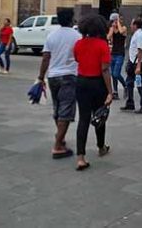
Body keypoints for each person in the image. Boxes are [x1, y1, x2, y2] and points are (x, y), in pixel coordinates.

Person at [37, 9, 81, 159]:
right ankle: (57, 146)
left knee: (57, 108)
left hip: (53, 76)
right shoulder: (77, 36)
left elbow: (45, 58)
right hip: (69, 76)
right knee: (66, 111)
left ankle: (60, 138)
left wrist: (41, 77)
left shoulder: (52, 35)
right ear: (71, 20)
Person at [73, 14, 113, 171]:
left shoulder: (78, 44)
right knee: (99, 116)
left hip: (81, 82)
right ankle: (101, 146)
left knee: (83, 119)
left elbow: (77, 59)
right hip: (98, 84)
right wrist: (110, 91)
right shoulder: (102, 45)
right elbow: (105, 70)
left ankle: (80, 157)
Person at [121, 18, 142, 114]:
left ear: (135, 25)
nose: (130, 26)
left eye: (131, 24)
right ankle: (130, 103)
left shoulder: (140, 35)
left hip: (136, 63)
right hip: (133, 62)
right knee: (129, 83)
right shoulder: (137, 34)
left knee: (140, 85)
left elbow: (140, 51)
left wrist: (139, 66)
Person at [107, 13, 127, 100]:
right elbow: (108, 37)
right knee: (113, 74)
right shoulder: (112, 29)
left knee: (116, 73)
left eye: (116, 20)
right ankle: (115, 92)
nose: (114, 22)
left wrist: (118, 22)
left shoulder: (124, 28)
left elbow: (121, 32)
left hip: (120, 54)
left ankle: (125, 85)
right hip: (113, 54)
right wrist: (112, 28)